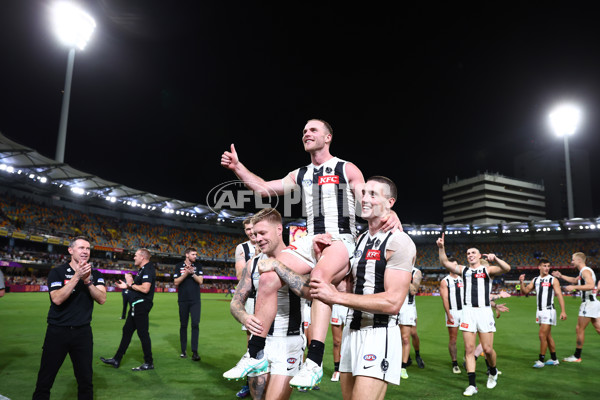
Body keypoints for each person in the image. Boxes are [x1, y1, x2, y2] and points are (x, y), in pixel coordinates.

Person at [221, 119, 400, 388]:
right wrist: (237, 167)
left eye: (313, 130)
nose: (306, 133)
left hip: (341, 239)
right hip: (310, 239)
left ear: (328, 137)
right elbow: (262, 188)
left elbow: (368, 200)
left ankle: (314, 361)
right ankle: (256, 352)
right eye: (304, 130)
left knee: (319, 278)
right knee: (267, 272)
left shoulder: (346, 168)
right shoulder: (301, 173)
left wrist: (391, 211)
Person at [260, 176, 414, 399]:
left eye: (373, 194)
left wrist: (335, 296)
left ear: (390, 203)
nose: (365, 198)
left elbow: (392, 302)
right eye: (363, 193)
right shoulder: (359, 240)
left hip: (378, 335)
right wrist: (321, 264)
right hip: (352, 333)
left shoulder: (399, 242)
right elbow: (345, 289)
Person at [225, 208, 303, 400]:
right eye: (255, 234)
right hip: (259, 343)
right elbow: (236, 301)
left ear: (279, 229)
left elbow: (308, 290)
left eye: (262, 233)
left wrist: (278, 266)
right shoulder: (253, 264)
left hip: (288, 341)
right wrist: (243, 316)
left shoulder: (299, 257)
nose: (257, 238)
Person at [436, 233, 511, 397]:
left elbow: (507, 268)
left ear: (479, 256)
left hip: (484, 311)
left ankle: (493, 371)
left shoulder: (487, 269)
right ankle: (472, 385)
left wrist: (496, 258)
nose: (470, 255)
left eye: (473, 253)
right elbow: (444, 262)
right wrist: (441, 248)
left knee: (488, 349)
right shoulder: (464, 270)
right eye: (468, 253)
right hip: (468, 311)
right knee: (469, 349)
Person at [32, 236, 106, 400]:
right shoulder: (57, 272)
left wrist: (88, 282)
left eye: (87, 248)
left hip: (83, 333)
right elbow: (57, 298)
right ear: (70, 250)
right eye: (81, 248)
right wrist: (76, 277)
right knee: (45, 380)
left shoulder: (96, 274)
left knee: (86, 381)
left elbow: (102, 299)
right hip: (57, 332)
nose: (85, 251)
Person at [100, 248, 156, 371]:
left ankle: (149, 362)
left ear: (142, 257)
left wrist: (130, 285)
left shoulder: (148, 269)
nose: (134, 258)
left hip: (141, 305)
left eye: (135, 255)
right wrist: (128, 285)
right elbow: (136, 288)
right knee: (127, 331)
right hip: (136, 304)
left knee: (143, 334)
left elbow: (145, 289)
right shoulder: (142, 270)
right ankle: (117, 359)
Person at [551, 252, 600, 362]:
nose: (571, 261)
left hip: (588, 303)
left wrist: (574, 287)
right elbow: (574, 280)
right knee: (598, 328)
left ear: (579, 260)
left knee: (579, 329)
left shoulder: (585, 271)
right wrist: (561, 276)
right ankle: (577, 356)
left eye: (573, 259)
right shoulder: (583, 271)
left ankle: (577, 356)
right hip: (594, 302)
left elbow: (591, 285)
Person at [518, 259, 567, 368]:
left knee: (542, 335)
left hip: (548, 311)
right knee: (548, 336)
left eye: (548, 266)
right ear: (539, 267)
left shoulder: (553, 280)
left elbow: (559, 295)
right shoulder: (535, 280)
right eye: (544, 266)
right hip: (539, 311)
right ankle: (554, 359)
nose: (547, 268)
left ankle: (541, 360)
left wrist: (563, 311)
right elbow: (525, 291)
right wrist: (521, 282)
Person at [233, 217, 259, 398]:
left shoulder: (270, 242)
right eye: (247, 229)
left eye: (253, 228)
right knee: (252, 344)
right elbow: (239, 275)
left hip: (273, 298)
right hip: (252, 299)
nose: (250, 232)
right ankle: (250, 384)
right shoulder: (243, 248)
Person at [173, 247, 203, 361]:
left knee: (195, 324)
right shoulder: (178, 266)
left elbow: (200, 281)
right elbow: (176, 282)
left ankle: (195, 352)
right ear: (187, 255)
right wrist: (186, 273)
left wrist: (192, 273)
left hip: (195, 300)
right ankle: (183, 350)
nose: (195, 256)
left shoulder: (198, 266)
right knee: (183, 325)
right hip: (183, 300)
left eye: (196, 254)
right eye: (193, 254)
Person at [439, 257, 463, 374]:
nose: (455, 267)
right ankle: (455, 363)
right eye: (452, 265)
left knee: (470, 337)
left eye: (456, 265)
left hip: (465, 312)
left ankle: (469, 358)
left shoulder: (463, 279)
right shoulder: (445, 281)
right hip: (453, 312)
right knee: (453, 339)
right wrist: (448, 314)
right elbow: (445, 298)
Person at [399, 266, 424, 379]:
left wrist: (404, 277)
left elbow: (413, 291)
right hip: (395, 306)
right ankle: (405, 359)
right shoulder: (394, 268)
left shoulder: (416, 272)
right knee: (399, 336)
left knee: (409, 336)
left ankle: (416, 356)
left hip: (407, 309)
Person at [330, 295, 348, 382]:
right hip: (336, 305)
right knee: (336, 342)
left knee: (350, 340)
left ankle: (348, 369)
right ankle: (337, 370)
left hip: (349, 303)